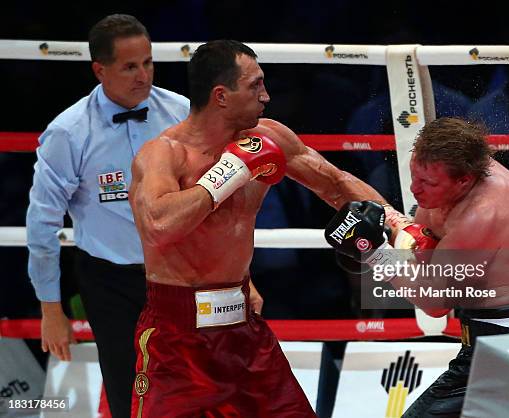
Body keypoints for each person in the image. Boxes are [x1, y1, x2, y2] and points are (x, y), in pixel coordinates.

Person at [127, 39, 391, 417]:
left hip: (244, 332)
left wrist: (399, 224)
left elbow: (335, 183)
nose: (266, 96)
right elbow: (159, 225)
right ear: (221, 96)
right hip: (176, 337)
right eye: (255, 85)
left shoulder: (267, 137)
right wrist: (228, 173)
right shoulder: (164, 154)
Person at [325, 117, 509, 417]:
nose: (414, 190)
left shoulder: (481, 216)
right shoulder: (457, 171)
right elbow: (426, 244)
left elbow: (434, 303)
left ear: (463, 179)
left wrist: (374, 252)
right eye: (414, 176)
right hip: (508, 336)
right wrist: (404, 235)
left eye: (427, 183)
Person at [26, 14, 190, 418]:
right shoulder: (69, 132)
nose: (143, 75)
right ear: (100, 70)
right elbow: (42, 222)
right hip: (110, 280)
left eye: (148, 63)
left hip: (183, 272)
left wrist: (241, 278)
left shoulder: (182, 113)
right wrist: (51, 309)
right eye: (130, 66)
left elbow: (217, 204)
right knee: (128, 392)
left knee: (194, 383)